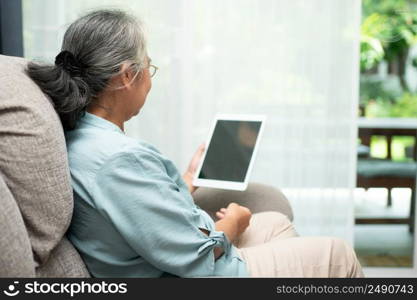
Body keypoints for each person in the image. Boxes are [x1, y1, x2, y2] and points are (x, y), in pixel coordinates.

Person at [26, 9, 363, 278]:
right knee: (338, 254)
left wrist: (188, 179)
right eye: (149, 68)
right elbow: (196, 258)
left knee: (275, 222)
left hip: (167, 261)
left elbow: (141, 216)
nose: (149, 79)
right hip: (187, 274)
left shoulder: (85, 136)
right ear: (127, 76)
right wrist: (233, 221)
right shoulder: (118, 159)